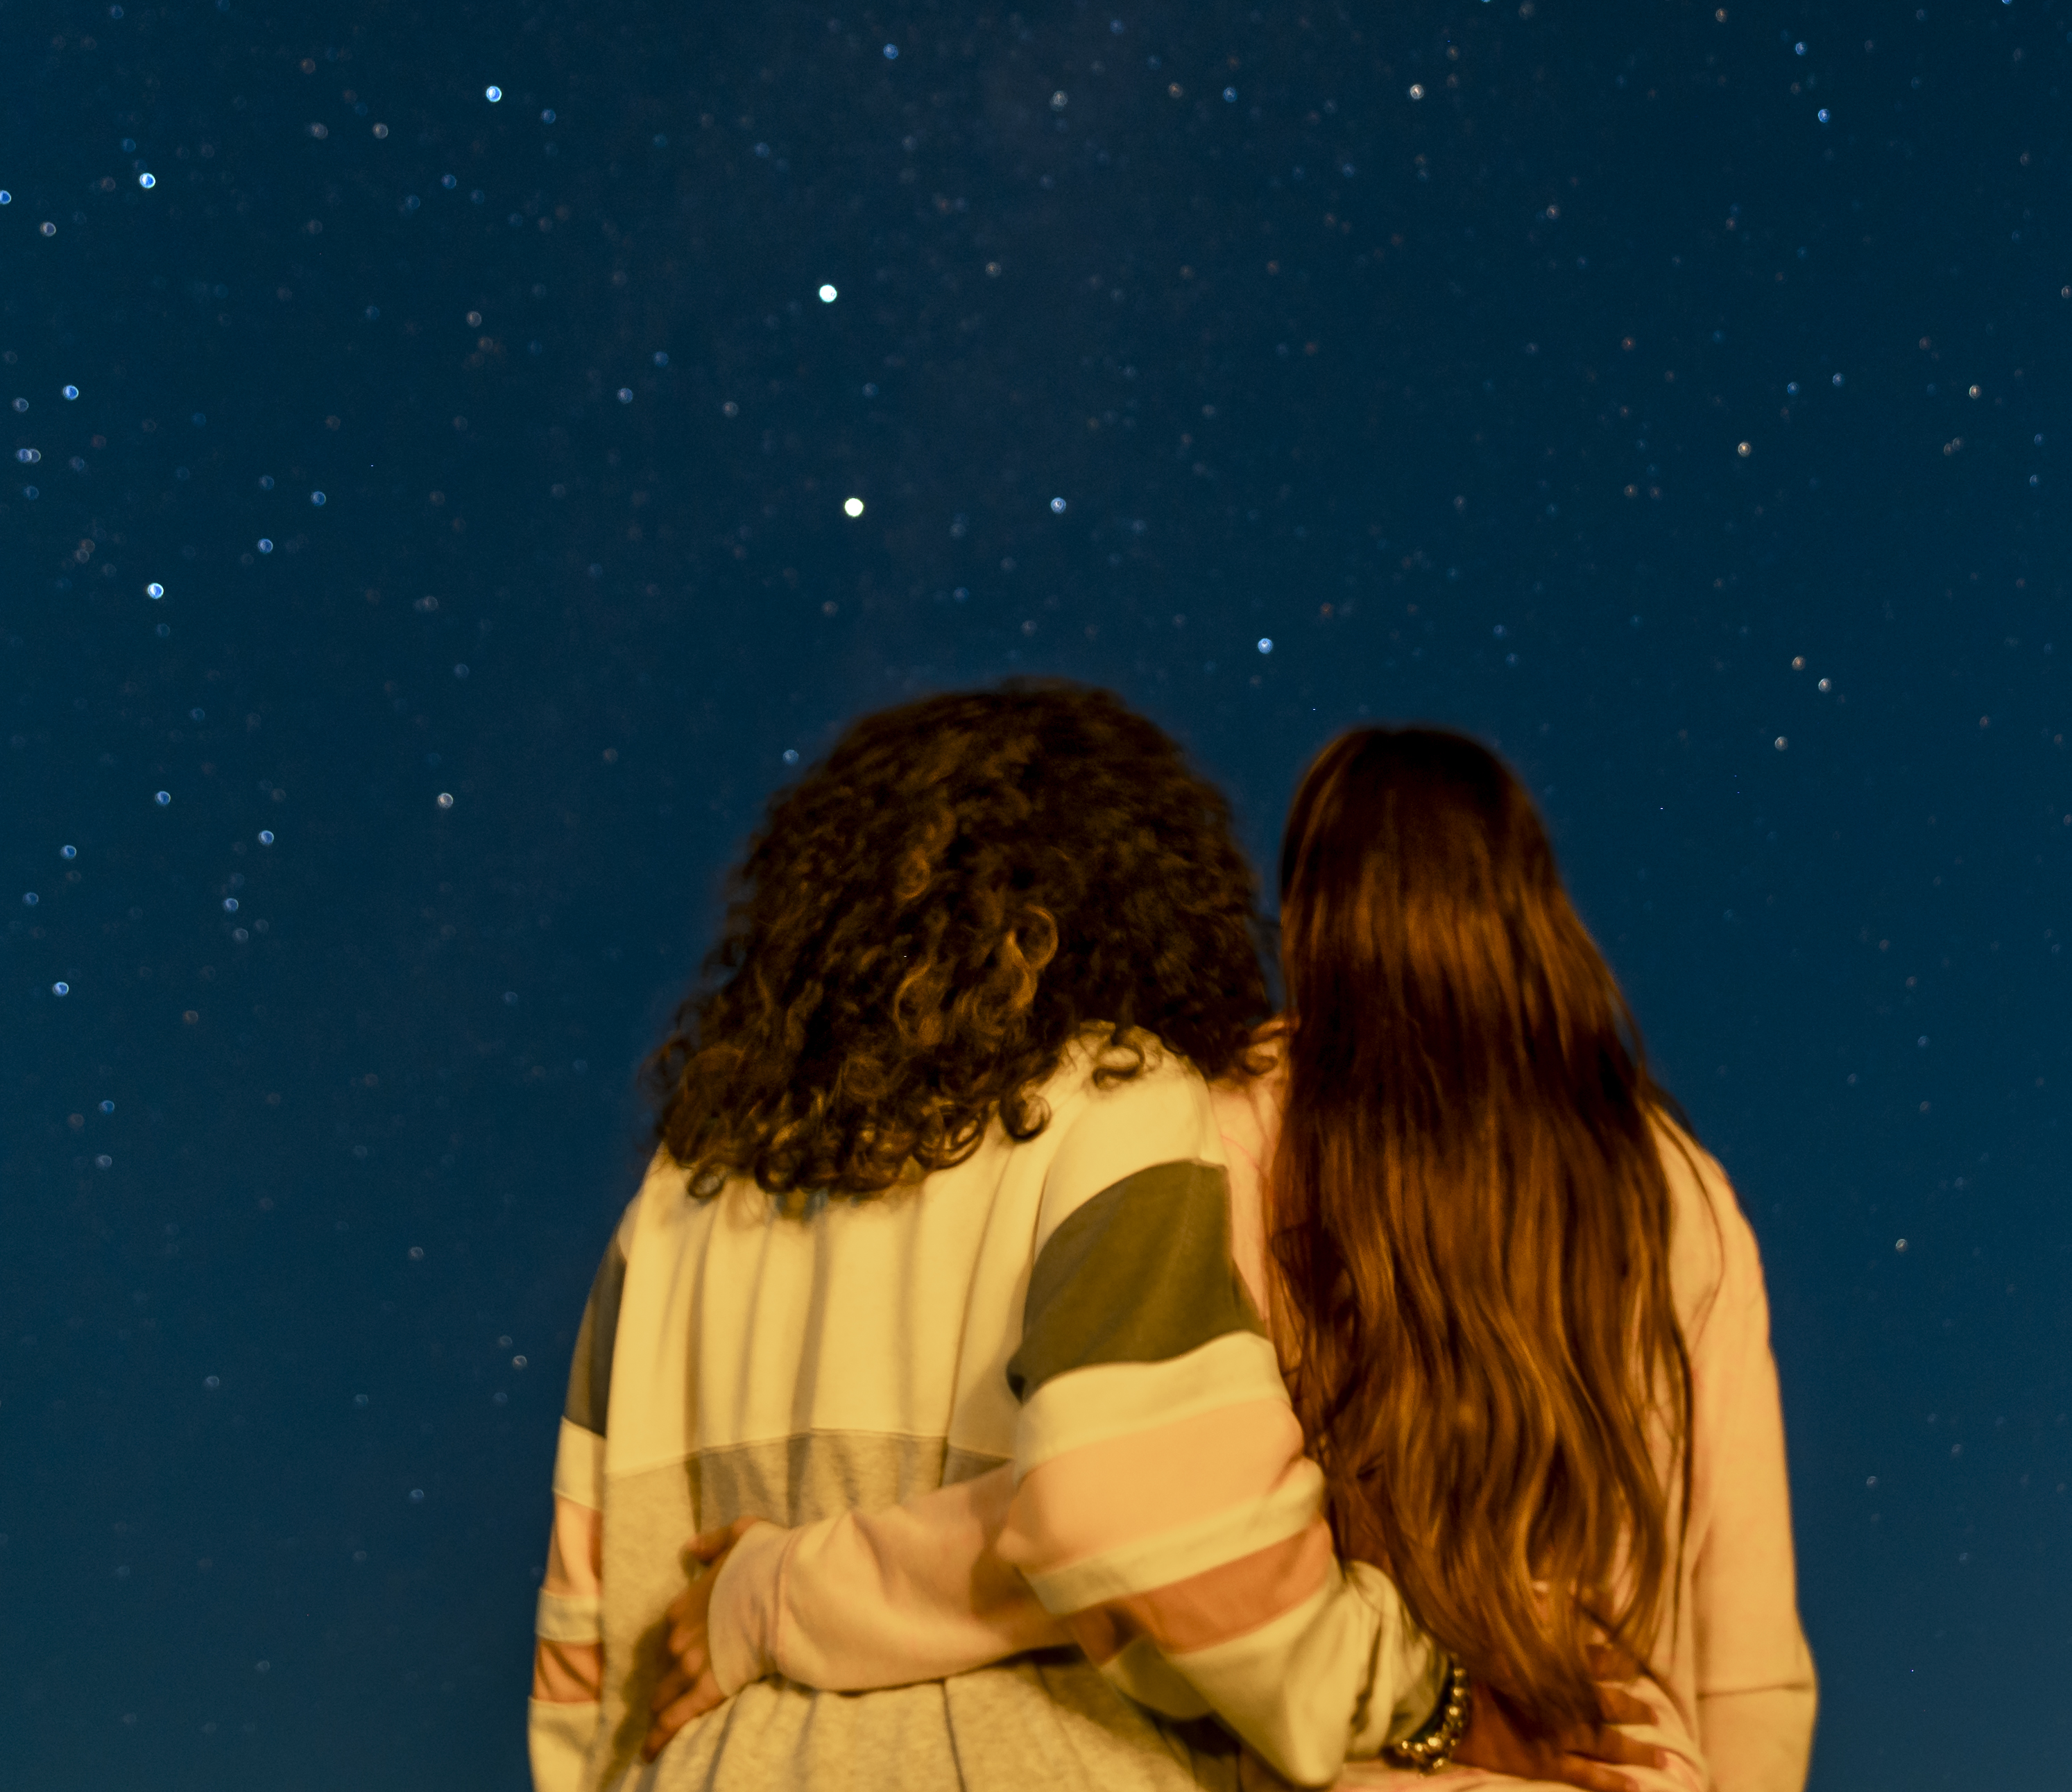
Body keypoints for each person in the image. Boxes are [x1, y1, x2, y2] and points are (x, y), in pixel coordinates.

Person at [661, 726, 1815, 1790]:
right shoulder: (1688, 1195)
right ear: (1535, 899)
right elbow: (1754, 1669)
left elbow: (1115, 1516)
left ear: (1308, 907)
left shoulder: (1230, 1132)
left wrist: (771, 1595)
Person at [526, 681, 1457, 1792]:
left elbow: (590, 1654)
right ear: (1137, 894)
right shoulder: (1115, 1104)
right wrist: (1408, 1691)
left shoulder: (676, 1206)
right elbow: (1149, 1510)